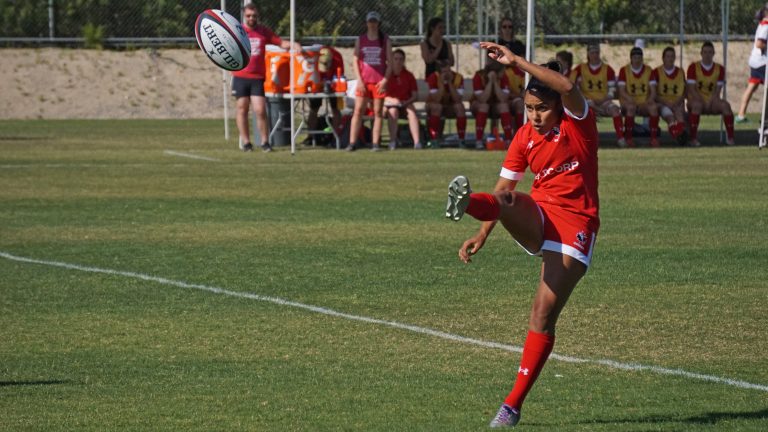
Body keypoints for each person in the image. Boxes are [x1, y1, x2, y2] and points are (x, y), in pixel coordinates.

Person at [446, 41, 599, 428]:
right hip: (540, 214)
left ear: (558, 107)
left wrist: (516, 62)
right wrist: (482, 234)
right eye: (528, 108)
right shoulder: (524, 137)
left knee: (542, 314)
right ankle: (466, 204)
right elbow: (504, 186)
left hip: (576, 225)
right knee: (507, 198)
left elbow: (566, 86)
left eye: (541, 108)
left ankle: (512, 405)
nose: (533, 116)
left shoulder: (578, 122)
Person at [232, 3, 300, 152]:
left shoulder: (263, 32)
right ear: (244, 15)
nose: (251, 18)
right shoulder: (238, 32)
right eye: (249, 16)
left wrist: (293, 44)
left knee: (260, 110)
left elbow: (280, 42)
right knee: (242, 108)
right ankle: (246, 142)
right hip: (240, 76)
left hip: (257, 77)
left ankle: (264, 142)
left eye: (254, 16)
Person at [347, 11, 393, 152]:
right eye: (370, 21)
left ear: (378, 23)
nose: (372, 24)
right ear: (366, 23)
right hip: (364, 81)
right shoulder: (360, 40)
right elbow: (355, 60)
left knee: (378, 112)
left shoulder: (385, 40)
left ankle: (375, 144)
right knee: (358, 111)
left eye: (375, 22)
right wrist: (359, 80)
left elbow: (390, 62)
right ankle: (352, 143)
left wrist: (385, 80)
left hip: (378, 81)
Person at [572, 43, 627, 147]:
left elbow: (612, 91)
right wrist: (585, 98)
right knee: (589, 107)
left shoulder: (608, 69)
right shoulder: (579, 69)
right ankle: (588, 140)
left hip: (604, 101)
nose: (595, 55)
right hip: (587, 101)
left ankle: (621, 138)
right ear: (588, 54)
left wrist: (602, 100)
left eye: (597, 52)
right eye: (592, 52)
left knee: (615, 110)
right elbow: (574, 88)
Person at [686, 41, 736, 146]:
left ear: (713, 53)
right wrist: (702, 101)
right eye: (705, 52)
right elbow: (691, 89)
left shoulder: (720, 69)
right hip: (696, 99)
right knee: (697, 105)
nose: (707, 55)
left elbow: (718, 90)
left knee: (726, 106)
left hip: (713, 100)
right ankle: (693, 138)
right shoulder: (693, 67)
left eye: (710, 52)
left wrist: (710, 101)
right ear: (701, 53)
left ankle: (730, 138)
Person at [617, 47, 660, 147]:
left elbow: (653, 91)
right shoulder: (624, 70)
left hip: (643, 102)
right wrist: (630, 100)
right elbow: (622, 91)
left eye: (639, 57)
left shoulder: (648, 70)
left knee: (653, 108)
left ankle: (653, 138)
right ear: (631, 58)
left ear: (642, 58)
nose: (637, 60)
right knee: (631, 108)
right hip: (628, 102)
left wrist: (649, 100)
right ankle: (628, 138)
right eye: (635, 57)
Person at [305, 45, 344, 146]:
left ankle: (335, 138)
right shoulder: (313, 57)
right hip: (317, 84)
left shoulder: (337, 58)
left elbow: (340, 76)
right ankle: (311, 137)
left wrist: (332, 84)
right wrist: (319, 84)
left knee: (336, 109)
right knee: (314, 109)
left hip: (334, 85)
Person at [470, 60, 514, 149]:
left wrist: (495, 83)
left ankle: (508, 141)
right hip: (479, 105)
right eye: (502, 71)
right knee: (484, 106)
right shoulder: (479, 76)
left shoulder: (504, 77)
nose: (503, 73)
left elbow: (503, 99)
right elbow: (483, 99)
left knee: (504, 106)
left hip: (495, 105)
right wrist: (490, 82)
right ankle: (478, 141)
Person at [384, 49, 422, 150]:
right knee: (393, 111)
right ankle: (392, 141)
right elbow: (381, 95)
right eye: (396, 59)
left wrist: (406, 102)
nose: (398, 61)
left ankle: (417, 142)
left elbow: (414, 95)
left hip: (405, 103)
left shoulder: (409, 75)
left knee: (412, 113)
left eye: (401, 59)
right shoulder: (386, 75)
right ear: (391, 60)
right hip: (389, 104)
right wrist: (392, 101)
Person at [736, 3, 768, 123]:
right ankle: (765, 119)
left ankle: (740, 115)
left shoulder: (762, 24)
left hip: (755, 61)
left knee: (752, 86)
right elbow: (759, 44)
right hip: (762, 62)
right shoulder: (766, 26)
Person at [425, 61, 467, 146]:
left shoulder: (458, 78)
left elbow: (457, 99)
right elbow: (436, 99)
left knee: (460, 107)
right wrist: (441, 84)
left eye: (449, 71)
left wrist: (450, 83)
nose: (447, 74)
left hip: (450, 106)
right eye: (444, 72)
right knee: (437, 107)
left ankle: (461, 139)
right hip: (433, 105)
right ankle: (434, 139)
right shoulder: (434, 77)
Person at [652, 46, 688, 145]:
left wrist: (679, 101)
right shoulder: (656, 72)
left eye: (672, 56)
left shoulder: (680, 72)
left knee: (680, 116)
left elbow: (685, 91)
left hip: (677, 103)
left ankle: (680, 137)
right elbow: (654, 94)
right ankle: (678, 137)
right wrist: (667, 103)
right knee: (670, 117)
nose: (670, 58)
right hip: (663, 103)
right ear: (663, 58)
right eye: (668, 56)